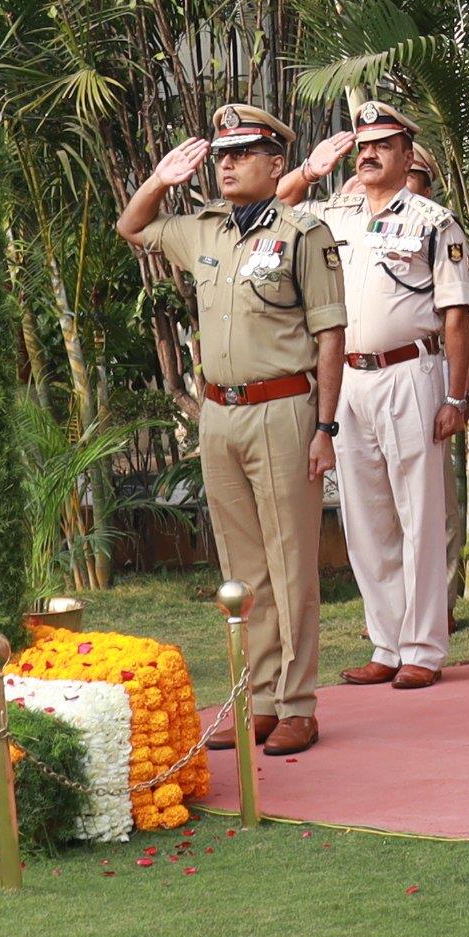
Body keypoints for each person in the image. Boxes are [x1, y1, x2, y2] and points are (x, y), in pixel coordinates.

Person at [118, 104, 346, 755]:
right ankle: (261, 697)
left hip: (283, 407)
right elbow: (130, 225)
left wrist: (325, 425)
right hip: (218, 412)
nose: (226, 163)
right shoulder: (204, 231)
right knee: (243, 568)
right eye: (221, 153)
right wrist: (161, 179)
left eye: (242, 152)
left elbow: (330, 334)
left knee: (292, 560)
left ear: (277, 164)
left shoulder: (305, 232)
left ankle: (298, 702)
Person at [281, 97, 469, 692]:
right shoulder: (335, 214)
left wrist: (458, 395)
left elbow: (457, 315)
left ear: (405, 154)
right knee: (364, 518)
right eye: (362, 146)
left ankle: (423, 646)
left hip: (410, 375)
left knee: (419, 512)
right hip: (346, 379)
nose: (369, 154)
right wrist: (313, 170)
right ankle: (386, 643)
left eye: (383, 146)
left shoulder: (432, 220)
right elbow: (276, 206)